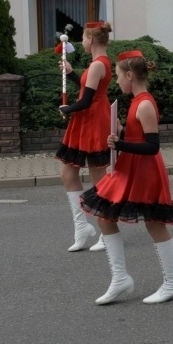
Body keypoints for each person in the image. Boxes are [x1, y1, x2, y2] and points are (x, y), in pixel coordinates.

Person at [80, 50, 173, 305]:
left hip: (144, 170)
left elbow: (152, 146)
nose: (116, 82)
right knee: (105, 216)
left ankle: (172, 282)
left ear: (129, 75)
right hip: (129, 167)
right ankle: (120, 278)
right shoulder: (137, 101)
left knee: (154, 222)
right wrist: (121, 134)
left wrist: (120, 145)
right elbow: (138, 138)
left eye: (117, 77)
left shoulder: (145, 103)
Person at [56, 21, 112, 253]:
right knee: (68, 172)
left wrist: (66, 109)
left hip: (93, 118)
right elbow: (88, 88)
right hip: (85, 119)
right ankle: (82, 226)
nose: (81, 42)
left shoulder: (100, 63)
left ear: (90, 39)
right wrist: (71, 74)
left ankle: (106, 232)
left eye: (83, 38)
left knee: (98, 176)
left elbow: (87, 100)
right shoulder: (96, 63)